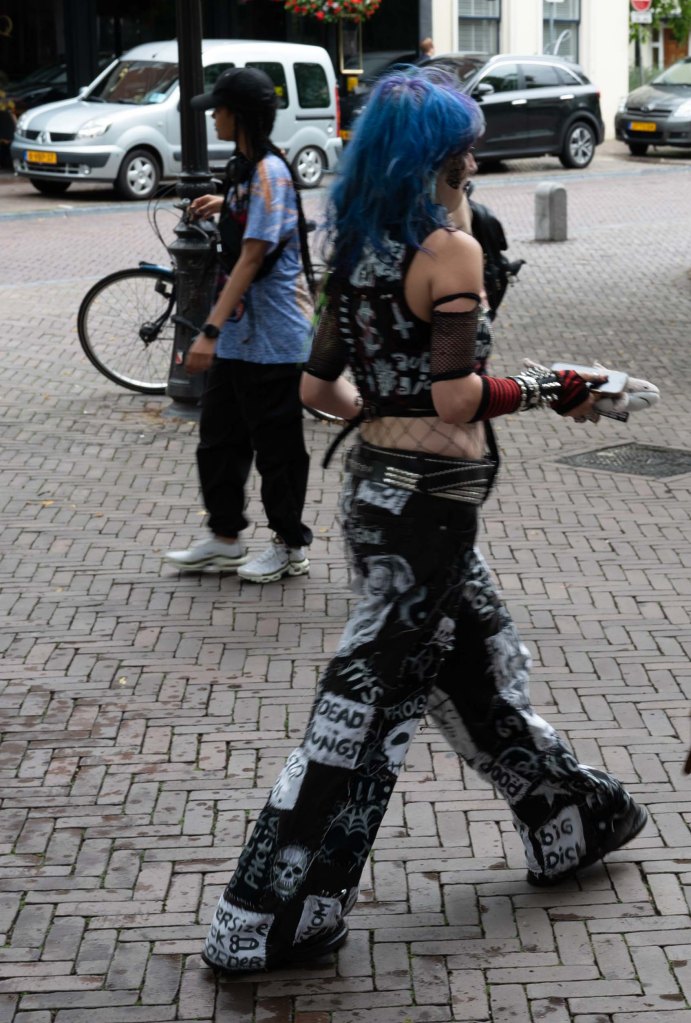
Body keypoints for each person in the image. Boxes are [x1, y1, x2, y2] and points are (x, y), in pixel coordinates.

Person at [201, 65, 647, 976]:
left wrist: (387, 411)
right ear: (442, 156)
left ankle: (572, 816)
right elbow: (456, 397)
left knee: (476, 663)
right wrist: (558, 385)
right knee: (359, 707)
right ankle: (264, 915)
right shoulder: (450, 253)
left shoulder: (360, 248)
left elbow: (318, 387)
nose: (474, 162)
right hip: (430, 513)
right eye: (465, 149)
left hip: (374, 494)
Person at [164, 67, 314, 583]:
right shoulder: (245, 171)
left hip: (273, 337)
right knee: (219, 440)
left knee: (277, 450)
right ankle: (224, 539)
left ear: (240, 115)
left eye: (219, 109)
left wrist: (208, 330)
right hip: (240, 336)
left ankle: (290, 546)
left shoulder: (270, 173)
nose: (213, 117)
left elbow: (251, 258)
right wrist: (221, 201)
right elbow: (247, 216)